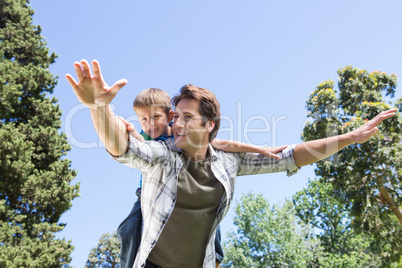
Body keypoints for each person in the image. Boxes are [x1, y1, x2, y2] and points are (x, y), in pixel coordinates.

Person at [66, 59, 397, 268]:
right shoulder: (163, 156)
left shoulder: (226, 162)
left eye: (186, 117)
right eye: (175, 117)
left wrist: (351, 137)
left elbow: (291, 156)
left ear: (209, 124)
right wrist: (98, 107)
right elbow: (122, 148)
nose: (175, 124)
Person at [116, 88, 287, 268]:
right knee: (128, 228)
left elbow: (221, 144)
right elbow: (137, 146)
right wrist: (128, 130)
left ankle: (215, 258)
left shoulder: (178, 133)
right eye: (143, 119)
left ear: (170, 116)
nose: (150, 124)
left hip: (188, 185)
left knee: (207, 212)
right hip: (148, 195)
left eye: (155, 117)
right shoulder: (147, 137)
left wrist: (260, 150)